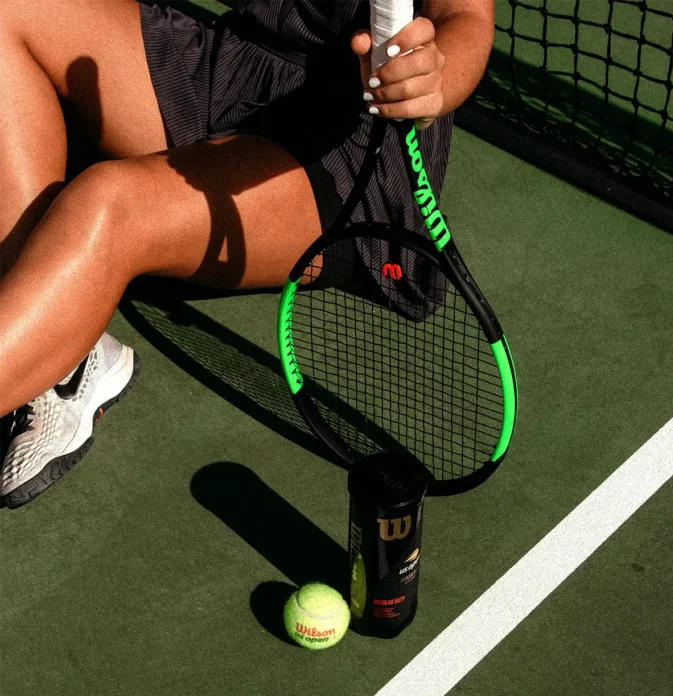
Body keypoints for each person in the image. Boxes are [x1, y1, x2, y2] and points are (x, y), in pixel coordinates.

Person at [0, 0, 494, 507]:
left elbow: (466, 16)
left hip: (352, 138)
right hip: (234, 63)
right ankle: (58, 362)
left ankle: (39, 345)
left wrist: (435, 76)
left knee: (108, 206)